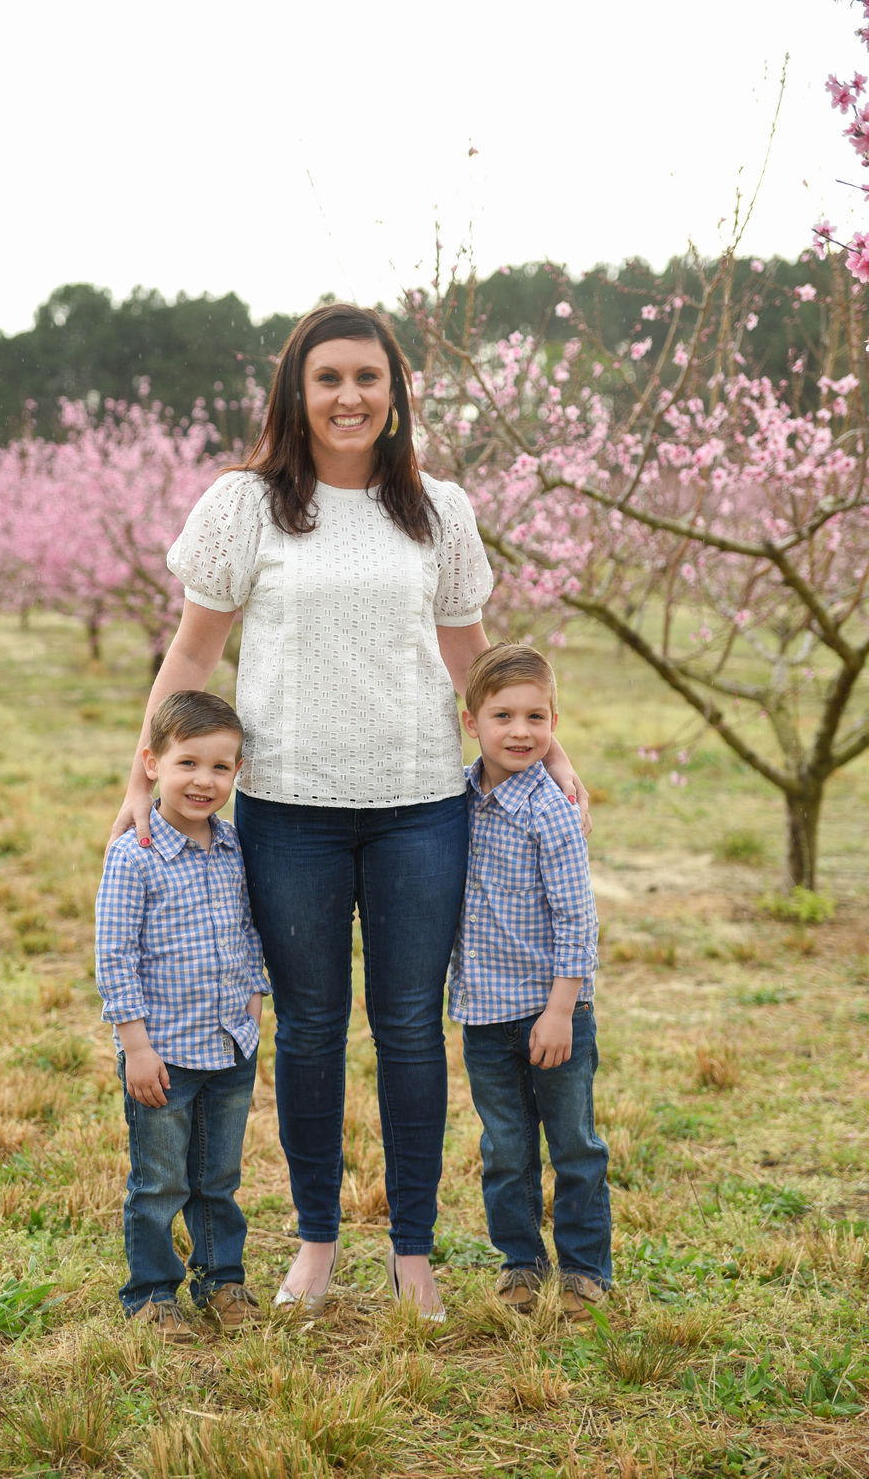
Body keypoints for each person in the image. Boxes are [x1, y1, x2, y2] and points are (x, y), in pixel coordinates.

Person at [110, 303, 589, 1321]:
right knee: (312, 1029)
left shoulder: (438, 510)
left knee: (411, 1029)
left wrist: (551, 750)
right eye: (327, 378)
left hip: (420, 803)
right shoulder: (246, 506)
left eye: (367, 377)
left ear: (395, 393)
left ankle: (413, 1250)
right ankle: (317, 1244)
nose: (348, 396)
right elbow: (194, 654)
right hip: (290, 808)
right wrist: (138, 774)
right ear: (296, 391)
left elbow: (472, 656)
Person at [96, 690, 270, 1337]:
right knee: (160, 1183)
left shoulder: (233, 848)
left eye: (221, 768)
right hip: (163, 1054)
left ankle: (223, 1281)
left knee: (218, 1178)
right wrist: (134, 1044)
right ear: (151, 764)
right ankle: (151, 1293)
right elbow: (115, 957)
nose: (204, 780)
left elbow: (251, 929)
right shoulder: (134, 856)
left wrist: (254, 995)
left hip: (229, 1046)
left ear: (238, 773)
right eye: (188, 763)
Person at [449, 644, 611, 1324]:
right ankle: (520, 1260)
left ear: (555, 722)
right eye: (503, 716)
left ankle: (582, 1268)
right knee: (505, 1148)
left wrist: (560, 1011)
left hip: (553, 1013)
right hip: (485, 1016)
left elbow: (579, 918)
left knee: (573, 1143)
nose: (520, 731)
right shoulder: (456, 798)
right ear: (471, 721)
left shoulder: (552, 811)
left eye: (536, 717)